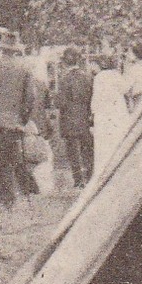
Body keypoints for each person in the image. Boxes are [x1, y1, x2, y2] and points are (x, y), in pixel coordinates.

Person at [0, 25, 44, 210]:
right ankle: (7, 201)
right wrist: (23, 119)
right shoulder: (25, 69)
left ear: (2, 47)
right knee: (7, 164)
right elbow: (30, 98)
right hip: (11, 124)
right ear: (16, 49)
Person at [54, 47, 95, 188]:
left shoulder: (64, 79)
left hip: (69, 119)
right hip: (84, 117)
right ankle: (89, 177)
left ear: (65, 62)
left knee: (72, 151)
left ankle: (78, 180)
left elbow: (60, 102)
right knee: (87, 150)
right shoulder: (88, 77)